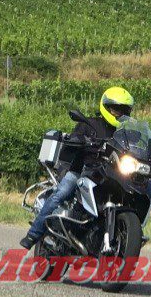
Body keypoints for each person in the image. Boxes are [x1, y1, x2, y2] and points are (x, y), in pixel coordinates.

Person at [19, 86, 135, 250]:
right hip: (82, 171)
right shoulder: (88, 124)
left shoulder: (126, 133)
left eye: (124, 111)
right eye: (116, 109)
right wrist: (78, 139)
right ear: (107, 107)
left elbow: (138, 148)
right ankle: (33, 233)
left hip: (109, 175)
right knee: (62, 193)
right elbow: (74, 137)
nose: (119, 114)